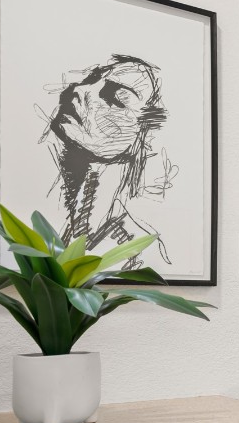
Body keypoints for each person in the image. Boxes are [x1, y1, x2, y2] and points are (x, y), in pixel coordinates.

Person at [45, 54, 172, 265]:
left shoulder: (135, 254)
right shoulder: (53, 214)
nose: (79, 90)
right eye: (91, 80)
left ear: (146, 132)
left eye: (115, 97)